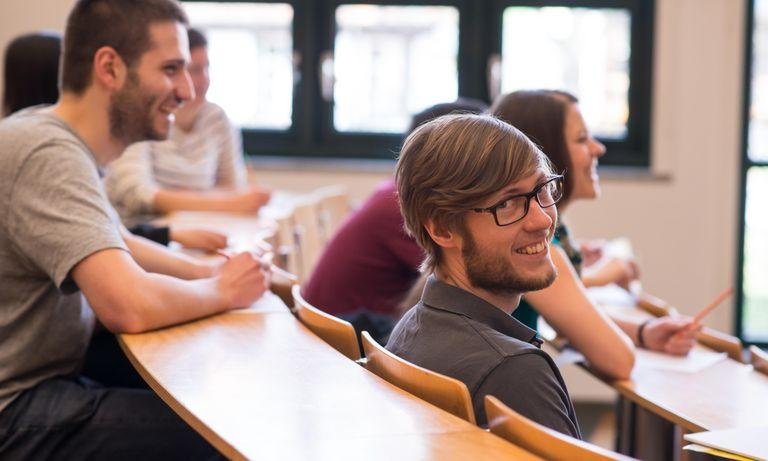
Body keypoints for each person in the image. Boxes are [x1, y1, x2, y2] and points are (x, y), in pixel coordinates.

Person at [0, 0, 269, 458]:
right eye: (170, 69)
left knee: (209, 388)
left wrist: (210, 273)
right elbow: (129, 306)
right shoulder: (47, 152)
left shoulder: (49, 137)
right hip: (18, 408)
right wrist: (224, 290)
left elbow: (114, 239)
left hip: (47, 382)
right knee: (230, 433)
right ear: (110, 68)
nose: (186, 90)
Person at [386, 113, 581, 434]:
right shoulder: (512, 371)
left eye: (542, 189)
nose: (542, 220)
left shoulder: (413, 326)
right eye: (507, 204)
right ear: (442, 229)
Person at [490, 89, 698, 356]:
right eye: (582, 139)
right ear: (545, 153)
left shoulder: (540, 235)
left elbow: (567, 322)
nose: (598, 148)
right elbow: (617, 358)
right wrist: (603, 274)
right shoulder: (531, 247)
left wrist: (645, 331)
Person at [1, 30, 228, 253]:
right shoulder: (48, 155)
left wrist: (172, 238)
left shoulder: (38, 141)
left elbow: (110, 233)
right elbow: (102, 248)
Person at [302, 99, 488, 342]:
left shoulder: (398, 191)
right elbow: (472, 276)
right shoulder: (408, 207)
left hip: (347, 327)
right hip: (345, 336)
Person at [105, 27, 270, 227]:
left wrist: (180, 198)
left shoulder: (216, 119)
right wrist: (218, 200)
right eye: (195, 70)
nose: (204, 80)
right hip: (151, 236)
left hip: (201, 229)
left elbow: (236, 190)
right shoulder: (140, 116)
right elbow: (136, 194)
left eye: (206, 68)